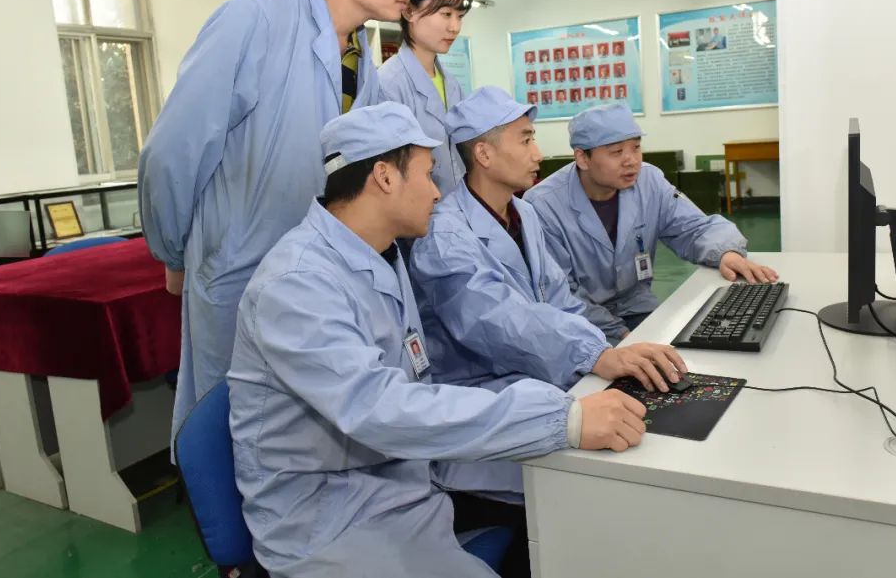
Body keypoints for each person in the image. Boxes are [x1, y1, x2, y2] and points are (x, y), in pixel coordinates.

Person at [228, 103, 648, 578]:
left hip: (402, 480)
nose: (436, 191)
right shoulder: (297, 284)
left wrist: (564, 402)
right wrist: (562, 418)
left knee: (584, 492)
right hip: (332, 516)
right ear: (385, 177)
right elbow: (380, 409)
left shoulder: (381, 254)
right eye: (428, 175)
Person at [138, 0, 428, 442]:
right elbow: (172, 151)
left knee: (299, 439)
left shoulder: (359, 55)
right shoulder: (254, 21)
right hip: (239, 272)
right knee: (232, 432)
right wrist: (172, 252)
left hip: (318, 274)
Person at [409, 87, 687, 501]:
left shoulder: (523, 213)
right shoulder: (445, 236)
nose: (538, 154)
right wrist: (595, 356)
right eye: (525, 140)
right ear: (484, 154)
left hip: (540, 375)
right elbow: (498, 321)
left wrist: (608, 349)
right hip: (485, 402)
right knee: (612, 480)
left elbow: (561, 300)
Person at [524, 104, 778, 344]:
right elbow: (560, 293)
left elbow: (692, 226)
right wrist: (621, 335)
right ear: (582, 158)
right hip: (580, 323)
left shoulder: (649, 181)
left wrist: (725, 253)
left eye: (636, 147)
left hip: (637, 307)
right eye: (616, 152)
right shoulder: (543, 205)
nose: (631, 160)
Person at [356, 0, 470, 194]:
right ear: (408, 11)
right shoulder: (388, 85)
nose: (455, 27)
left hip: (457, 210)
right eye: (446, 14)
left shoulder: (452, 84)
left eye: (460, 16)